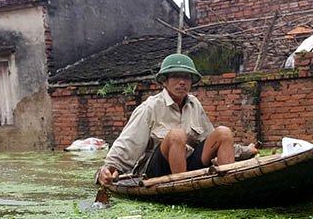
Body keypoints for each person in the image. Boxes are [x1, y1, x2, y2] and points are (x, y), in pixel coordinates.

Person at [97, 54, 256, 185]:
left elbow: (210, 139)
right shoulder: (150, 107)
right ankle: (183, 188)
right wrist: (109, 169)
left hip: (188, 165)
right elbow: (128, 143)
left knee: (223, 133)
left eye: (186, 77)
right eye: (176, 76)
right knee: (177, 135)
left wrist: (245, 151)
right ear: (165, 81)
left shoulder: (194, 105)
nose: (182, 82)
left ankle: (229, 186)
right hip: (157, 170)